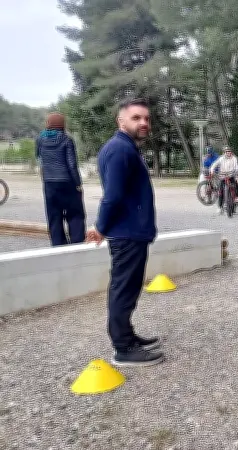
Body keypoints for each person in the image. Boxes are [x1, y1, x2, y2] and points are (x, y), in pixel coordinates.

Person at [85, 98, 163, 367]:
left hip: (132, 232)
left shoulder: (126, 147)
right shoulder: (120, 150)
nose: (143, 123)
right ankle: (123, 348)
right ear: (121, 121)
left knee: (128, 288)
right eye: (136, 118)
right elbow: (113, 196)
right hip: (127, 234)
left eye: (146, 118)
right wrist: (101, 227)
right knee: (123, 290)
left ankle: (128, 336)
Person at [35, 112, 86, 246]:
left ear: (48, 124)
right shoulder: (67, 139)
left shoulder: (40, 139)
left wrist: (45, 180)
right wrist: (78, 184)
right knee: (75, 215)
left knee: (54, 217)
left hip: (49, 184)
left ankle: (58, 247)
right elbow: (72, 165)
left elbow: (40, 161)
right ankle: (77, 245)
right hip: (67, 183)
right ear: (62, 125)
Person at [209, 146, 238, 214]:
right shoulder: (221, 158)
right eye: (227, 152)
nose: (228, 153)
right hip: (222, 176)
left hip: (231, 175)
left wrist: (237, 175)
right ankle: (220, 207)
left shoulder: (234, 158)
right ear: (224, 152)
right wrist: (212, 171)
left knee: (237, 182)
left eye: (229, 151)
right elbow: (214, 165)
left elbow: (237, 168)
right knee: (221, 192)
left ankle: (237, 198)